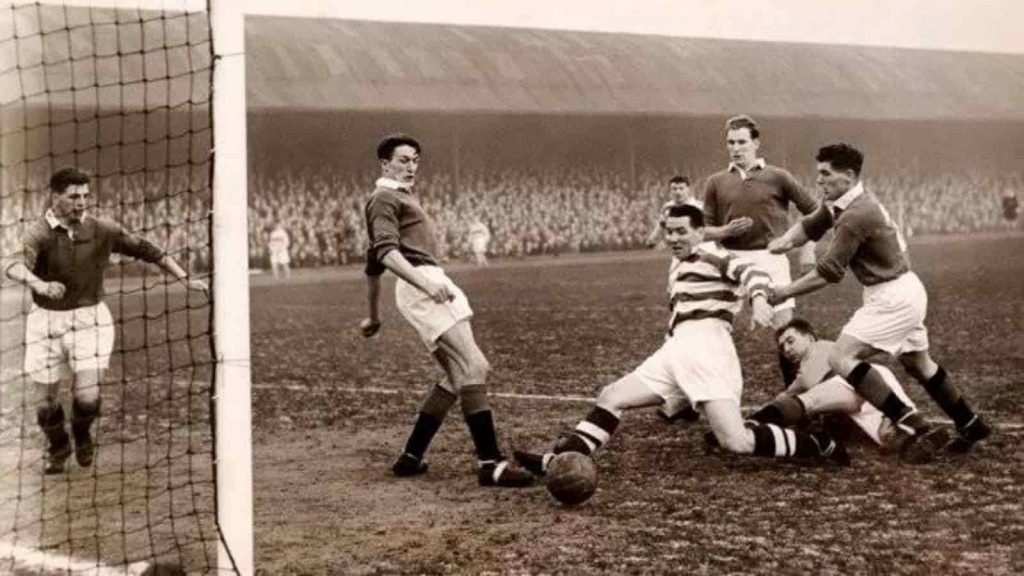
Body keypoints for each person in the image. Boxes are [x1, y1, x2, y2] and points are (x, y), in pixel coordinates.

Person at [513, 204, 849, 478]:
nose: (672, 237)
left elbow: (752, 274)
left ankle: (815, 443)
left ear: (699, 232)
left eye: (681, 231)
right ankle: (555, 463)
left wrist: (759, 299)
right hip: (674, 349)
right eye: (668, 231)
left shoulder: (711, 254)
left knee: (736, 441)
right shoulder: (679, 266)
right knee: (612, 396)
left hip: (708, 349)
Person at [768, 143, 990, 458]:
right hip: (901, 290)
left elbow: (828, 272)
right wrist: (782, 242)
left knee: (841, 357)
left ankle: (912, 423)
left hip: (893, 296)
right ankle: (970, 423)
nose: (819, 180)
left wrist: (783, 292)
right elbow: (809, 225)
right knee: (918, 364)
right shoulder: (843, 202)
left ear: (847, 176)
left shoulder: (856, 214)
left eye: (825, 174)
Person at [3, 167, 209, 474]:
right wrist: (40, 285)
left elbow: (149, 250)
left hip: (91, 320)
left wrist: (185, 278)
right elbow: (12, 264)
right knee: (45, 403)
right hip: (45, 322)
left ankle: (83, 433)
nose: (81, 202)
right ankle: (58, 446)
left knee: (87, 397)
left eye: (85, 195)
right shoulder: (38, 232)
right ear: (55, 196)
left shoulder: (102, 229)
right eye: (74, 196)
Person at [358, 134, 533, 488]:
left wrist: (374, 316)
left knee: (458, 374)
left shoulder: (397, 198)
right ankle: (490, 463)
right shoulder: (384, 198)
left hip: (427, 282)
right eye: (404, 160)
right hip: (424, 284)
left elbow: (372, 264)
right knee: (474, 367)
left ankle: (411, 457)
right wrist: (424, 285)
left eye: (415, 160)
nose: (411, 167)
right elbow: (386, 255)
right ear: (385, 164)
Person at [701, 115, 819, 386]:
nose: (736, 148)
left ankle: (799, 395)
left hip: (771, 260)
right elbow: (702, 230)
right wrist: (723, 232)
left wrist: (807, 250)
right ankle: (691, 396)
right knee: (711, 329)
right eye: (731, 142)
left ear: (756, 143)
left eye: (742, 142)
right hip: (731, 263)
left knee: (786, 329)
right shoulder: (716, 182)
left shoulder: (778, 177)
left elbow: (814, 212)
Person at [746, 319, 916, 449]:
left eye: (791, 341)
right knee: (888, 439)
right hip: (850, 394)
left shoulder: (828, 348)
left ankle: (750, 426)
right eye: (782, 347)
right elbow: (784, 397)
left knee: (810, 402)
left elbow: (873, 368)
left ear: (809, 338)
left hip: (866, 381)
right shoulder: (802, 376)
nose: (787, 350)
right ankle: (895, 421)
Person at [644, 175, 702, 248]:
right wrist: (652, 239)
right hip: (678, 248)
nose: (678, 192)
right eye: (674, 189)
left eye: (681, 188)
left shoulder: (699, 207)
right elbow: (661, 224)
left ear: (688, 189)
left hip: (698, 247)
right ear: (670, 191)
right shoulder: (668, 207)